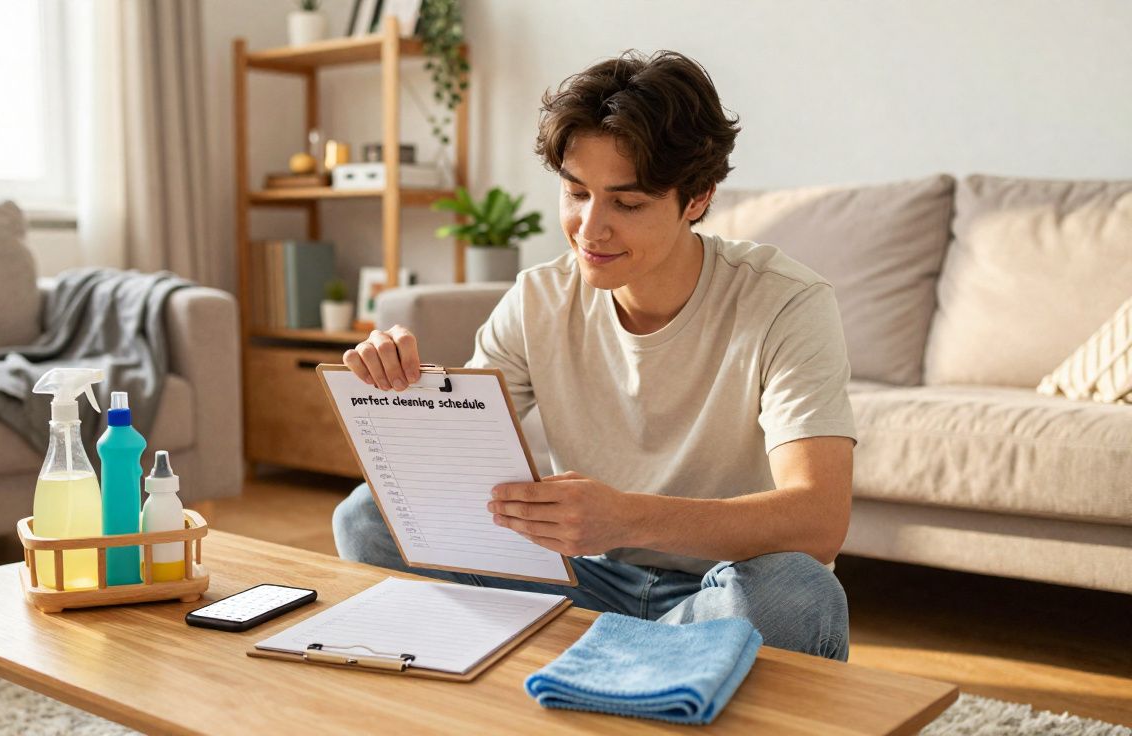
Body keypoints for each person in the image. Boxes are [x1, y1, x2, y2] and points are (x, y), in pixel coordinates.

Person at [332, 50, 857, 661]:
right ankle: (644, 662)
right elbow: (452, 473)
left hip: (722, 586)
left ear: (697, 197)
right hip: (582, 577)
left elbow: (820, 518)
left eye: (626, 204)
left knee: (798, 593)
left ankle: (598, 657)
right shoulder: (538, 297)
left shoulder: (785, 302)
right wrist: (394, 394)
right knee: (366, 519)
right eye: (576, 193)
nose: (589, 228)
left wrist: (627, 518)